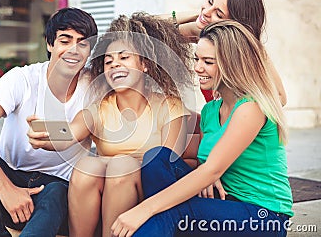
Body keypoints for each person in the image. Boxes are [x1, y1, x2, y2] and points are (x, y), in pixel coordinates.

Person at [111, 20, 293, 237]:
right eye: (197, 59)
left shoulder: (251, 107)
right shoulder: (210, 110)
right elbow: (210, 165)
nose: (197, 67)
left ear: (232, 64)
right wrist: (208, 169)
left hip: (263, 216)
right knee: (157, 158)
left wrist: (143, 209)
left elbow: (212, 170)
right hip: (222, 201)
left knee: (170, 211)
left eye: (208, 61)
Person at [27, 12, 196, 237]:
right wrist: (46, 133)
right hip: (108, 199)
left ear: (145, 65)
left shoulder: (168, 105)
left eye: (124, 57)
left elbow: (166, 166)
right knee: (87, 167)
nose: (115, 64)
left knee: (121, 166)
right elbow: (70, 131)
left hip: (153, 198)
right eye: (108, 61)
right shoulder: (100, 108)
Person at [0, 7, 98, 237]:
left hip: (60, 198)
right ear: (50, 44)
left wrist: (173, 15)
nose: (73, 50)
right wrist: (7, 189)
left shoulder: (94, 86)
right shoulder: (22, 79)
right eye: (65, 40)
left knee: (57, 191)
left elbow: (137, 41)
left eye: (82, 43)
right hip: (12, 189)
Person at [159, 0, 287, 105]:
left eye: (219, 14)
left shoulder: (251, 51)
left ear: (234, 26)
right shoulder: (202, 34)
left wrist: (235, 96)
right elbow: (148, 28)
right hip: (215, 122)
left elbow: (280, 98)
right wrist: (198, 14)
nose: (206, 11)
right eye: (210, 2)